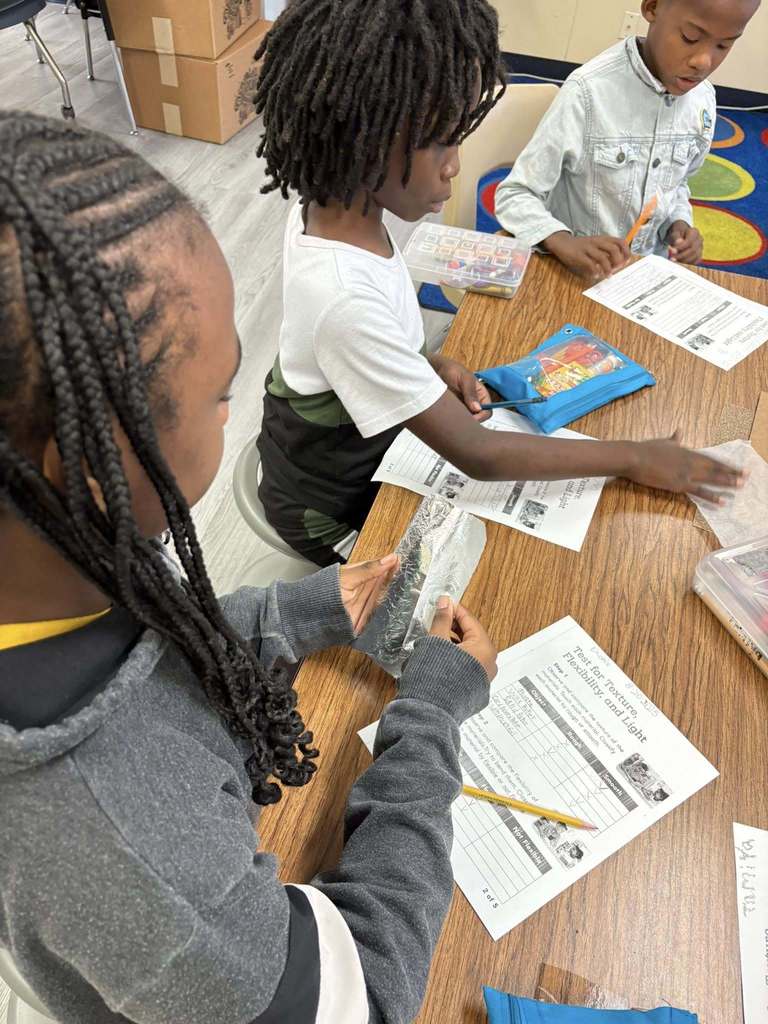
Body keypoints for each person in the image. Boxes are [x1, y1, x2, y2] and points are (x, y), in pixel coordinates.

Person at [0, 111, 498, 1024]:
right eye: (223, 391)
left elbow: (144, 649)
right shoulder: (127, 843)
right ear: (97, 457)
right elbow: (371, 994)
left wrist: (294, 612)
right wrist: (429, 714)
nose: (239, 413)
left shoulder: (48, 564)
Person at [252, 0, 744, 567]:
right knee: (479, 586)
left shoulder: (336, 212)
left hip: (363, 447)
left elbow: (356, 348)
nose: (456, 167)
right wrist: (634, 458)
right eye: (440, 142)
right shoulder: (343, 295)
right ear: (361, 140)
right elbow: (480, 455)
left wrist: (428, 368)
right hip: (332, 509)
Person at [495, 0, 761, 281]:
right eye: (690, 38)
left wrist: (678, 223)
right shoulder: (588, 92)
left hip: (644, 280)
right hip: (573, 277)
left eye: (724, 46)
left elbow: (677, 184)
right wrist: (562, 241)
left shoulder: (703, 100)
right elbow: (515, 194)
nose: (703, 61)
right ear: (652, 7)